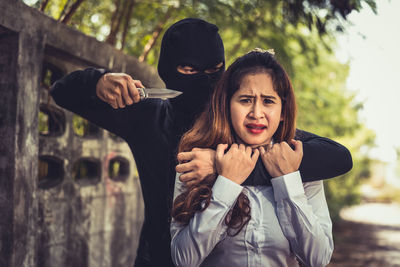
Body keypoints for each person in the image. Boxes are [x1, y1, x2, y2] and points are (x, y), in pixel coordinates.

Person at [50, 18, 349, 267]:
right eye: (189, 71)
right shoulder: (146, 116)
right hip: (160, 256)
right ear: (169, 69)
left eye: (212, 70)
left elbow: (337, 157)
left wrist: (223, 167)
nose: (203, 81)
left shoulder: (244, 122)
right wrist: (97, 81)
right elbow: (62, 91)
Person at [171, 49, 333, 267]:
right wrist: (226, 183)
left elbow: (318, 259)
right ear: (227, 106)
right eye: (246, 100)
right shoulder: (198, 164)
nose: (257, 113)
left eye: (268, 101)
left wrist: (288, 181)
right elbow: (183, 260)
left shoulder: (299, 164)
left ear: (283, 111)